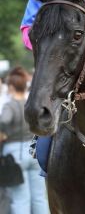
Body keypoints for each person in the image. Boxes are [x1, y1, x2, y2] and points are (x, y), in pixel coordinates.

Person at [0, 66, 49, 214]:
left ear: (11, 86)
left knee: (21, 198)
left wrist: (3, 131)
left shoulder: (10, 105)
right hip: (33, 152)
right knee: (39, 197)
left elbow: (5, 120)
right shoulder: (31, 103)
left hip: (15, 155)